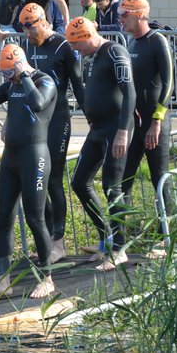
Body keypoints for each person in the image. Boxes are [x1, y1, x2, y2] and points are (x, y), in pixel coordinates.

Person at [0, 44, 58, 301]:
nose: (8, 78)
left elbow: (38, 104)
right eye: (5, 73)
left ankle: (47, 278)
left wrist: (25, 75)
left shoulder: (44, 81)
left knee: (35, 218)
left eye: (10, 72)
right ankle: (2, 281)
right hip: (11, 159)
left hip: (35, 157)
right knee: (2, 217)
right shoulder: (12, 85)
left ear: (20, 64)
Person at [17, 2, 84, 264]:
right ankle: (45, 240)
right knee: (36, 179)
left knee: (53, 178)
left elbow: (78, 85)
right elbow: (21, 88)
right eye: (23, 29)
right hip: (34, 121)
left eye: (31, 28)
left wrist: (95, 120)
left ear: (43, 22)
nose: (27, 34)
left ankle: (59, 242)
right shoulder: (26, 47)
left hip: (58, 118)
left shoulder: (62, 46)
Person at [65, 18, 134, 270]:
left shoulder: (114, 51)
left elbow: (130, 93)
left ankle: (120, 249)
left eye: (77, 43)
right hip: (97, 129)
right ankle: (107, 238)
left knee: (112, 187)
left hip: (115, 128)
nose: (75, 49)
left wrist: (123, 132)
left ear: (88, 35)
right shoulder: (92, 56)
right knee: (79, 182)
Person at [118, 0, 173, 256]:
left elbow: (169, 82)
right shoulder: (130, 42)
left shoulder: (157, 41)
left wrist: (157, 121)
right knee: (123, 178)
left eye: (124, 15)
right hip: (135, 122)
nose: (120, 20)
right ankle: (118, 239)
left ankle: (168, 236)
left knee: (159, 177)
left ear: (140, 15)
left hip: (155, 122)